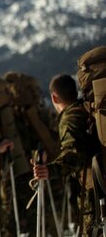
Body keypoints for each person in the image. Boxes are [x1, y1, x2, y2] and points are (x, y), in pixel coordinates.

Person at [32, 74, 97, 237]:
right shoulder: (85, 110)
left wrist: (50, 170)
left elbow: (74, 153)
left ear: (54, 97)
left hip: (93, 194)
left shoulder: (70, 117)